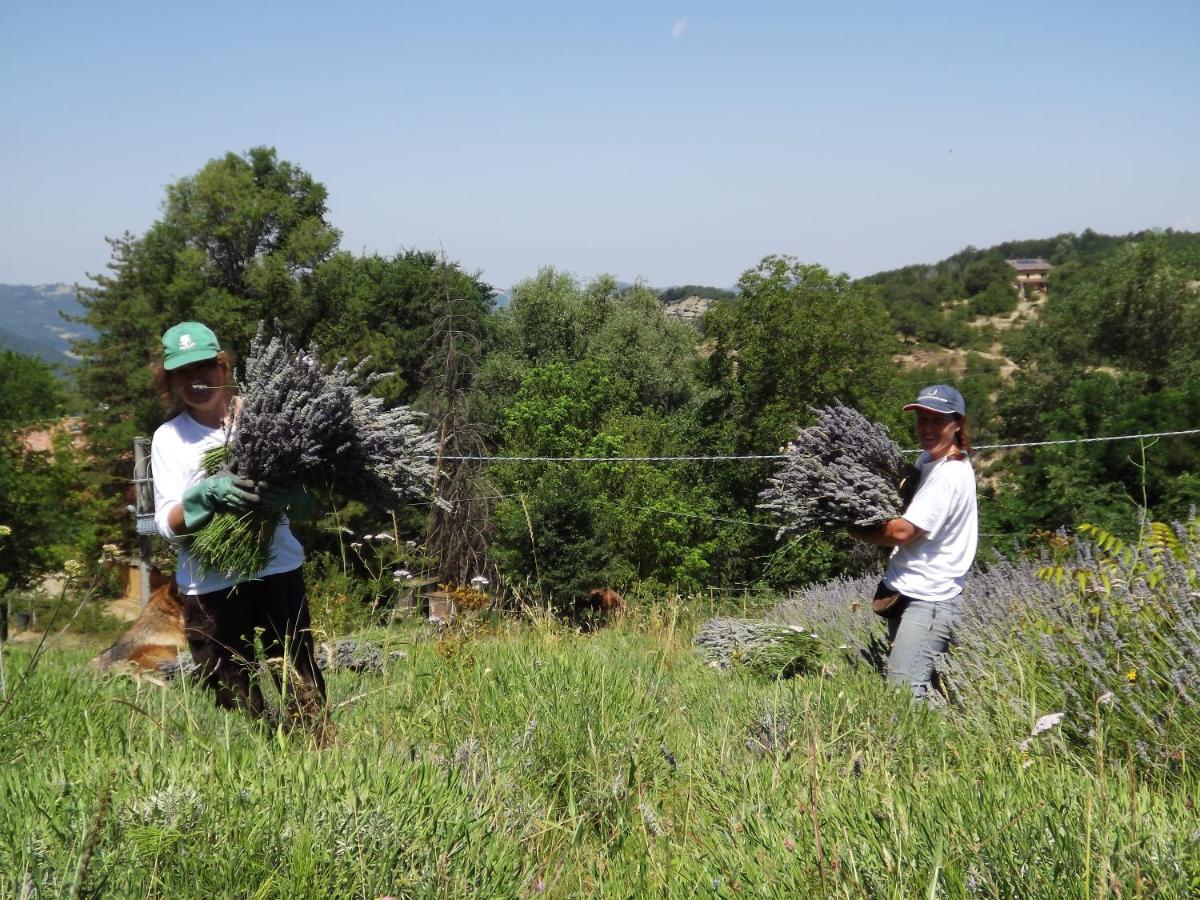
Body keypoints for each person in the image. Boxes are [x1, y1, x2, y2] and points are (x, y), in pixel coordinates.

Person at [150, 321, 326, 727]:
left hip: (277, 568)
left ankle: (317, 754)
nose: (195, 380)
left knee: (298, 677)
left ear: (223, 367)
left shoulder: (269, 419)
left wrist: (296, 499)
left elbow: (312, 499)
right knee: (231, 691)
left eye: (203, 368)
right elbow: (167, 523)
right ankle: (259, 768)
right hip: (209, 582)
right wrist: (203, 497)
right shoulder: (169, 438)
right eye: (182, 372)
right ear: (171, 380)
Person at [850, 384, 978, 701]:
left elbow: (903, 531)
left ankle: (934, 747)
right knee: (923, 686)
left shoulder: (950, 475)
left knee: (906, 691)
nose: (928, 428)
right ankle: (938, 742)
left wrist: (851, 527)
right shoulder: (927, 460)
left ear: (957, 423)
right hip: (907, 590)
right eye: (923, 419)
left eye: (938, 420)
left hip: (930, 598)